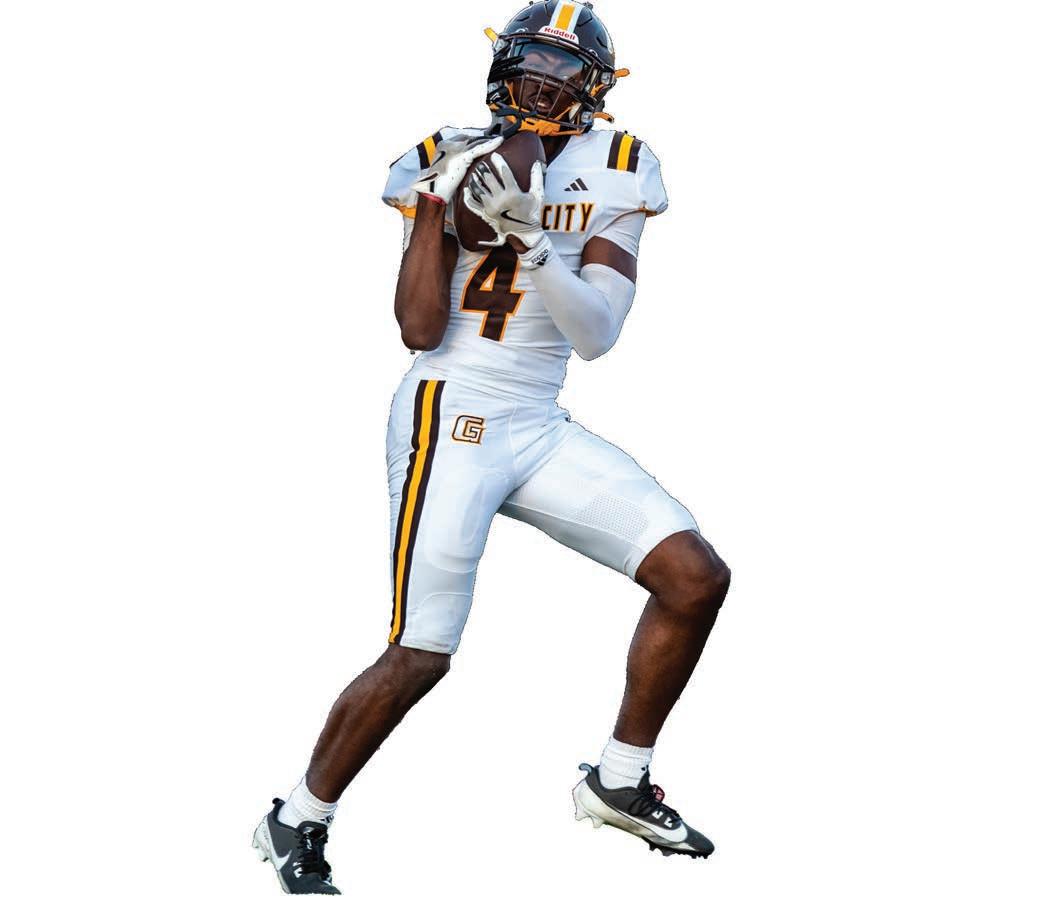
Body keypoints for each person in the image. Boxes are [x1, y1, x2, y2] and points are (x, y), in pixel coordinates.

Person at [253, 2, 731, 893]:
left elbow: (596, 336)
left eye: (563, 70)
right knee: (422, 651)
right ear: (502, 65)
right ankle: (296, 816)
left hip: (536, 419)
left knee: (695, 576)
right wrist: (436, 213)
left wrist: (534, 242)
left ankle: (618, 779)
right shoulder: (444, 151)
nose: (542, 84)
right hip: (452, 410)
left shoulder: (624, 163)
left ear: (595, 88)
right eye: (531, 64)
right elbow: (417, 327)